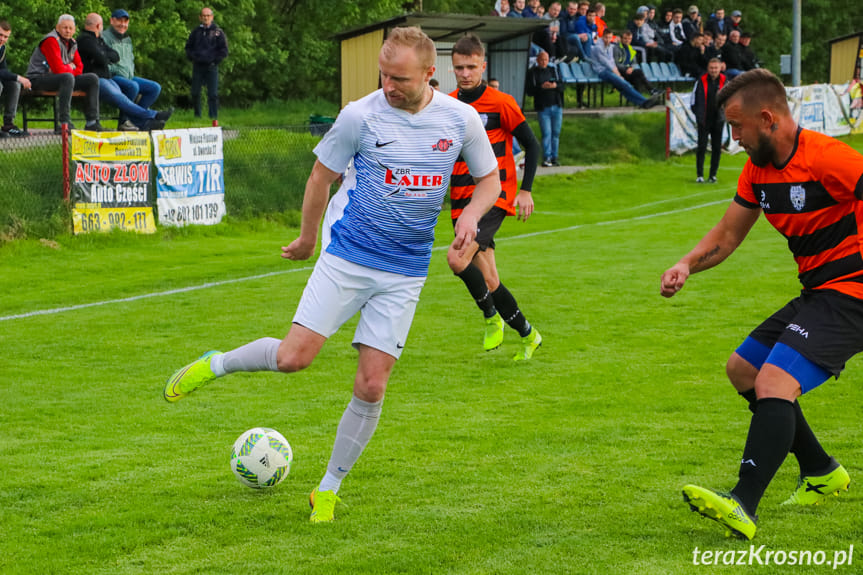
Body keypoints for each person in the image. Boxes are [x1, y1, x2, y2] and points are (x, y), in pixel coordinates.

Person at [164, 26, 501, 524]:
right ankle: (218, 363)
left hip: (405, 270)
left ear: (432, 73)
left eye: (401, 78)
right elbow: (321, 176)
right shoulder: (359, 116)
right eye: (384, 75)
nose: (389, 86)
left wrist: (471, 217)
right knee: (293, 358)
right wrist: (305, 237)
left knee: (371, 386)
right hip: (348, 255)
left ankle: (327, 489)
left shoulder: (460, 119)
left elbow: (488, 180)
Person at [662, 68, 862, 541]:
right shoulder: (758, 170)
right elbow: (729, 234)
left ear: (768, 118)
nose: (733, 139)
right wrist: (688, 264)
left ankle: (743, 501)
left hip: (854, 293)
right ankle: (820, 470)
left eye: (737, 127)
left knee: (775, 381)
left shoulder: (830, 159)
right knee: (744, 370)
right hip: (819, 291)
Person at [448, 33, 543, 359]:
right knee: (489, 279)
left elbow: (531, 144)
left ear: (483, 65)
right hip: (460, 200)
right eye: (459, 67)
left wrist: (526, 190)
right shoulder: (448, 105)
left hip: (492, 199)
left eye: (471, 67)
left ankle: (491, 319)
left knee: (456, 259)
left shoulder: (501, 102)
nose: (465, 73)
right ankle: (529, 335)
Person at [77, 13, 171, 131]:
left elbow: (115, 56)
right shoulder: (85, 40)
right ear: (98, 25)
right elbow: (101, 58)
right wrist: (104, 56)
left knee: (124, 99)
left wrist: (103, 55)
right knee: (121, 97)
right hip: (95, 79)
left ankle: (145, 122)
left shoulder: (98, 39)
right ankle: (152, 116)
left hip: (106, 78)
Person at [27, 14, 103, 133]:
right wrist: (70, 67)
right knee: (67, 78)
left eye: (70, 28)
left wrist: (68, 68)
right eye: (64, 27)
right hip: (38, 78)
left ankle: (92, 122)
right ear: (57, 27)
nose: (67, 31)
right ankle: (64, 123)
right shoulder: (51, 40)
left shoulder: (72, 42)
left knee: (92, 78)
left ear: (74, 30)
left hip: (62, 78)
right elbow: (58, 69)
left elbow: (80, 67)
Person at [102, 9, 164, 131]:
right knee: (133, 86)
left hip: (128, 76)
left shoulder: (127, 39)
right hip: (112, 76)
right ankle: (124, 122)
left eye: (125, 22)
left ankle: (135, 120)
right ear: (112, 21)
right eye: (119, 21)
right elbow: (104, 61)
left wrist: (129, 71)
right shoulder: (104, 37)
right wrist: (117, 70)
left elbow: (130, 60)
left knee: (155, 87)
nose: (123, 24)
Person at [589, 29, 660, 109]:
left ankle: (642, 103)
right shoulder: (598, 48)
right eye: (606, 38)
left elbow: (612, 61)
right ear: (602, 37)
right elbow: (607, 63)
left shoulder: (610, 46)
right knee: (625, 84)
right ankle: (644, 101)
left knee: (622, 86)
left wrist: (618, 74)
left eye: (610, 38)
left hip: (610, 71)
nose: (608, 40)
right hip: (602, 71)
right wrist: (619, 75)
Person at [185, 6, 228, 120]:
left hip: (211, 66)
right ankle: (197, 116)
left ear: (212, 17)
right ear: (200, 17)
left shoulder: (218, 32)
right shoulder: (195, 32)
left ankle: (213, 116)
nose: (206, 18)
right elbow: (188, 47)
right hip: (198, 66)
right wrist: (193, 58)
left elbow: (224, 50)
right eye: (203, 16)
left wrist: (215, 61)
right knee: (195, 92)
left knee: (212, 94)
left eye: (208, 16)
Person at [525, 50, 564, 166]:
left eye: (546, 60)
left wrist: (555, 85)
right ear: (537, 60)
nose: (543, 62)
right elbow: (530, 91)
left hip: (556, 105)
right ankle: (546, 157)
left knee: (556, 133)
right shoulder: (532, 73)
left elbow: (562, 85)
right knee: (546, 132)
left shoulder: (553, 70)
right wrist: (542, 87)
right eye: (541, 60)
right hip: (543, 107)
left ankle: (554, 157)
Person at [690, 58, 725, 183]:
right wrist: (698, 115)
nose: (713, 70)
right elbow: (693, 101)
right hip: (704, 120)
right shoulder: (701, 80)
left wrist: (724, 113)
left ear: (720, 68)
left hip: (718, 119)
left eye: (716, 68)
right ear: (708, 68)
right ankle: (700, 175)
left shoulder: (725, 81)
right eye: (711, 68)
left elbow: (731, 99)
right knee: (702, 147)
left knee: (716, 148)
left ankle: (713, 175)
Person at [0, 20, 30, 137]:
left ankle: (8, 124)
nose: (2, 39)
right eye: (0, 35)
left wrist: (17, 79)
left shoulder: (2, 49)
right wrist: (18, 77)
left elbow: (3, 71)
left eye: (5, 37)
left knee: (14, 85)